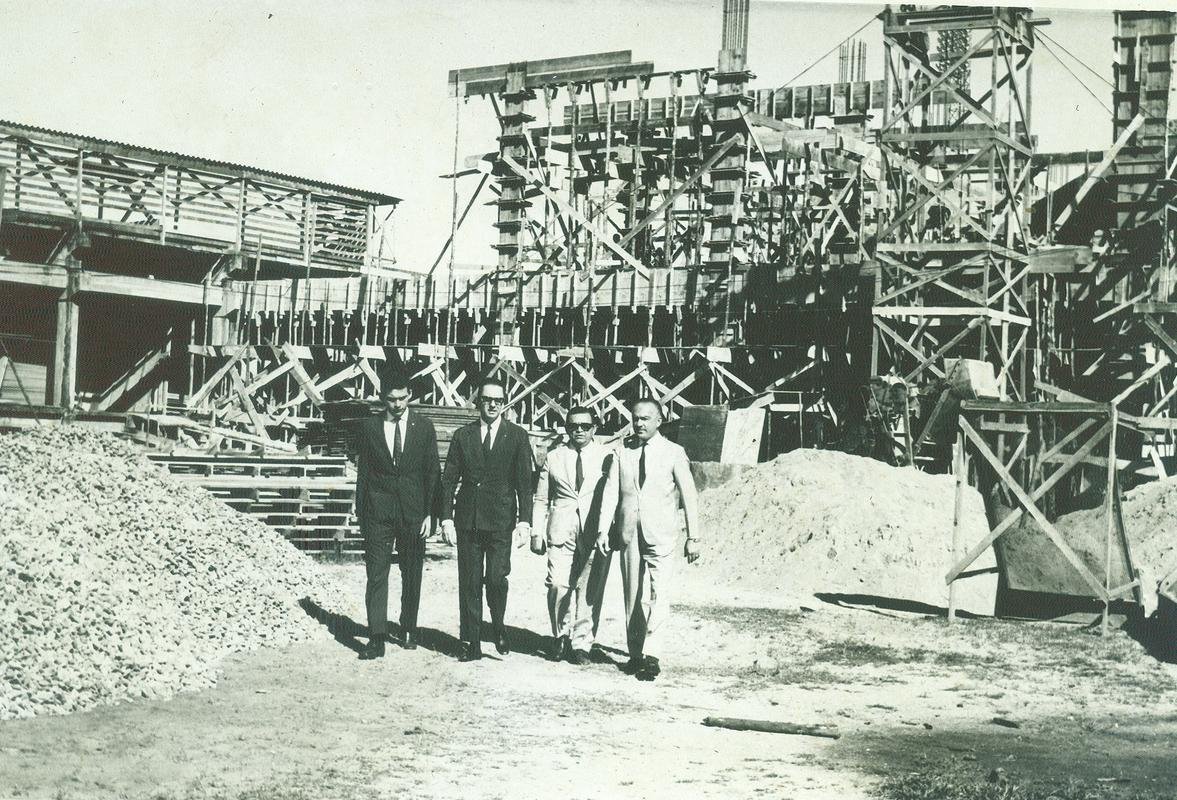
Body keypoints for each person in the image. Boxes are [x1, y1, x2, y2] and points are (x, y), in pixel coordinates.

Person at [595, 397, 702, 681]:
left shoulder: (674, 452)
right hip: (628, 534)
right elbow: (611, 493)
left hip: (662, 534)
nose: (639, 423)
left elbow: (689, 495)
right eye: (635, 418)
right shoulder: (622, 452)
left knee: (659, 594)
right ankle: (635, 654)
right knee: (632, 595)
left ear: (659, 421)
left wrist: (694, 537)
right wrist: (604, 529)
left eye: (645, 418)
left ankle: (652, 655)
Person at [439, 378, 535, 662]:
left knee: (495, 579)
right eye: (487, 399)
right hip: (468, 521)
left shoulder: (516, 436)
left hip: (501, 520)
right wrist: (446, 518)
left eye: (498, 400)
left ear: (504, 403)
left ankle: (497, 625)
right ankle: (471, 641)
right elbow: (448, 481)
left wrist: (524, 522)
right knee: (469, 581)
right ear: (478, 402)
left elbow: (524, 483)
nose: (493, 405)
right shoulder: (463, 436)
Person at [354, 370, 440, 660]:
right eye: (392, 399)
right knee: (376, 574)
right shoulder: (369, 427)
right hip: (378, 512)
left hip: (414, 513)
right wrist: (361, 512)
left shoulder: (424, 427)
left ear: (410, 396)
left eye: (403, 398)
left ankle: (408, 629)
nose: (398, 404)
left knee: (412, 572)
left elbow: (432, 473)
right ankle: (376, 637)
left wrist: (432, 514)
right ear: (383, 399)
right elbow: (363, 472)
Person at [530, 407, 612, 665]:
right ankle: (560, 635)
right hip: (560, 528)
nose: (579, 430)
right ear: (567, 428)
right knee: (557, 584)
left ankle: (582, 643)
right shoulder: (554, 457)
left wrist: (609, 529)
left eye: (584, 426)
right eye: (573, 425)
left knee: (589, 590)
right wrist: (536, 531)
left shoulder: (607, 455)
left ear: (594, 428)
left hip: (594, 530)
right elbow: (541, 498)